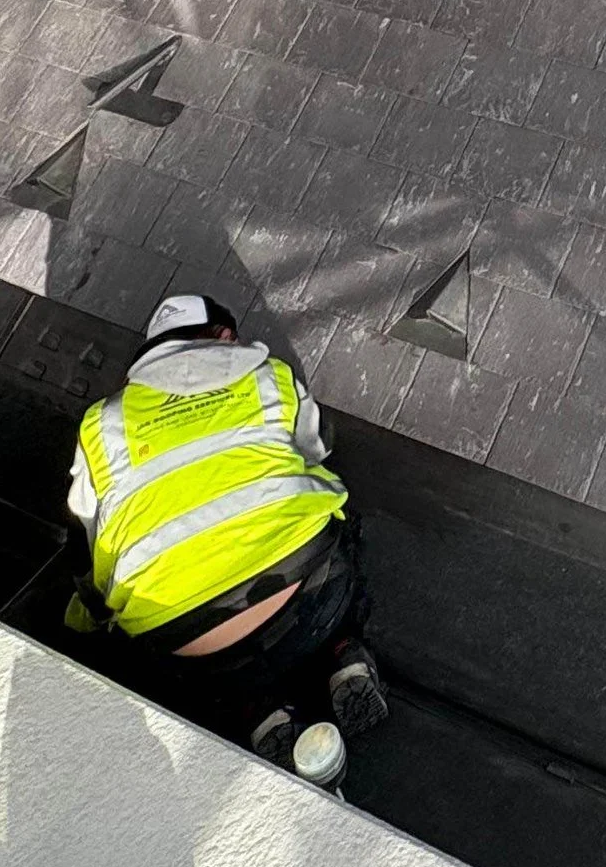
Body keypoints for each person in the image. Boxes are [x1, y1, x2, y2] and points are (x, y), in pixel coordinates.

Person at [65, 292, 386, 778]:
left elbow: (88, 531)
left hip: (184, 642)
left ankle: (259, 712)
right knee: (335, 515)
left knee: (219, 673)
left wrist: (88, 616)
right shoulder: (268, 378)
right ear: (223, 337)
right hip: (310, 598)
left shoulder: (102, 425)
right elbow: (315, 449)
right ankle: (343, 654)